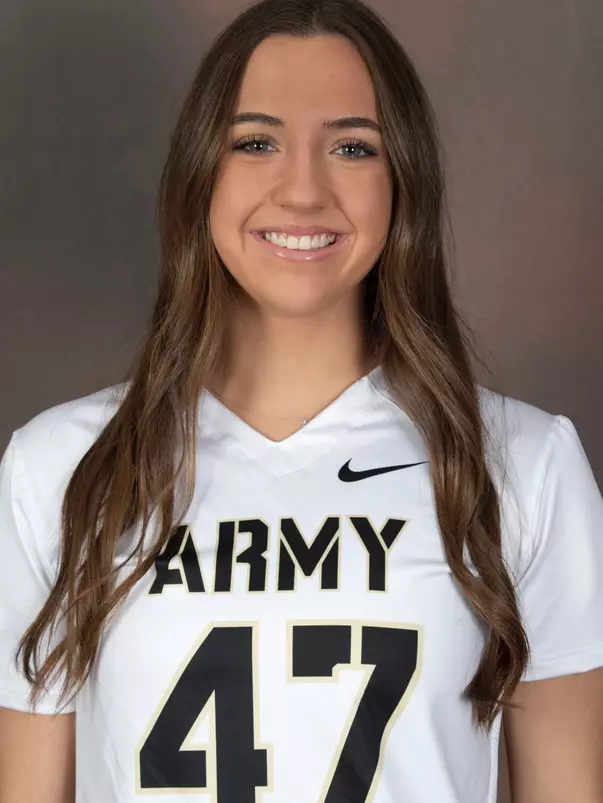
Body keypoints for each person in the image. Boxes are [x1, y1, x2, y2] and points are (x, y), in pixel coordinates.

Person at [1, 0, 602, 800]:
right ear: (197, 175)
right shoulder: (63, 466)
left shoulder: (524, 465)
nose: (303, 189)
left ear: (403, 181)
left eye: (352, 147)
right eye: (256, 142)